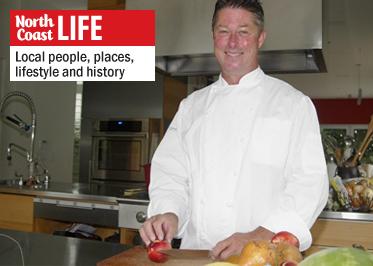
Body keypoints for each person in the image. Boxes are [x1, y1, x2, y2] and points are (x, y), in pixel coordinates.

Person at [140, 0, 329, 260]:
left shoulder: (293, 104)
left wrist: (260, 235)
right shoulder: (191, 107)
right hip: (198, 256)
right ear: (213, 36)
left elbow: (309, 183)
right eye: (223, 31)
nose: (232, 42)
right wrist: (169, 212)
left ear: (260, 38)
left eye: (243, 32)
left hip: (264, 257)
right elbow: (171, 173)